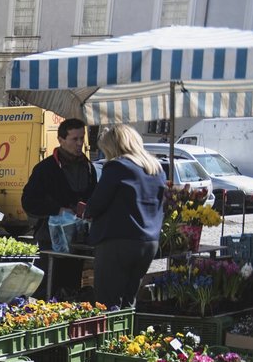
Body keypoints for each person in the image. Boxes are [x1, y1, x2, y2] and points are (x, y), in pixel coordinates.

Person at [84, 124, 166, 308]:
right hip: (148, 241)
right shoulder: (155, 168)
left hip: (118, 240)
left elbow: (96, 204)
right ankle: (127, 336)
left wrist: (86, 212)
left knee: (107, 301)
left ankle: (109, 337)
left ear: (114, 147)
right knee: (129, 299)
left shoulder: (117, 166)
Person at [22, 118, 98, 298]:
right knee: (50, 285)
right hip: (52, 238)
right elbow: (28, 202)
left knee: (72, 286)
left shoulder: (88, 167)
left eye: (82, 138)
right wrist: (58, 210)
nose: (80, 143)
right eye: (75, 139)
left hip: (79, 239)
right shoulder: (45, 169)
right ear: (61, 140)